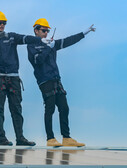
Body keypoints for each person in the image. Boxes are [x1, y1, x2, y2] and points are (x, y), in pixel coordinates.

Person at [27, 18, 95, 146]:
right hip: (45, 81)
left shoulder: (51, 44)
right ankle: (50, 139)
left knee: (64, 108)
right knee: (50, 108)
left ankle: (66, 138)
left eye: (47, 31)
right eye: (43, 30)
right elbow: (38, 60)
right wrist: (47, 48)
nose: (46, 33)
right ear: (36, 31)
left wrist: (84, 33)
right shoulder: (32, 46)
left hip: (56, 79)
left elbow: (68, 41)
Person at [0, 11, 49, 146]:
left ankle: (20, 138)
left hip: (13, 78)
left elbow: (25, 38)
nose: (2, 25)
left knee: (16, 108)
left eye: (4, 23)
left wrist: (40, 39)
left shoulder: (11, 37)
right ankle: (2, 138)